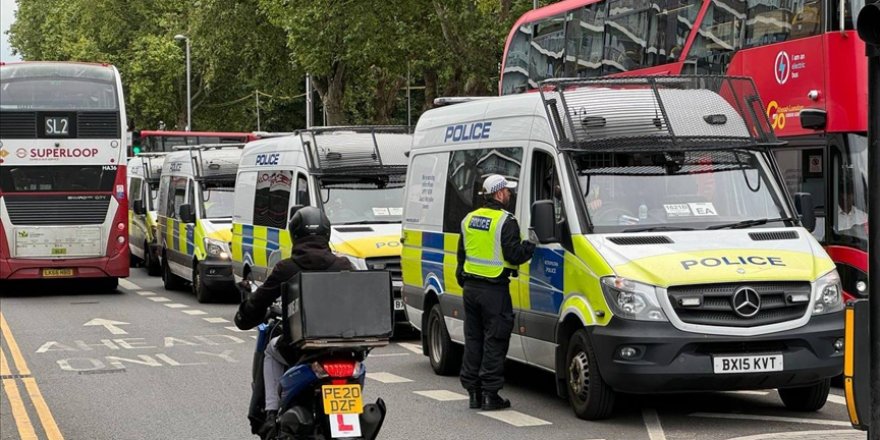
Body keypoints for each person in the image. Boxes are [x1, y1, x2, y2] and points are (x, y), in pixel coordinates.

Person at [234, 207, 352, 436]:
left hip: (302, 348)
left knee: (270, 349)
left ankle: (270, 413)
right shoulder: (343, 265)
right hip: (345, 347)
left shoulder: (287, 268)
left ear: (295, 235)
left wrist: (243, 315)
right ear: (326, 233)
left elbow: (257, 303)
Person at [457, 174, 536, 411]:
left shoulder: (469, 219)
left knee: (474, 339)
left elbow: (461, 255)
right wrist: (530, 244)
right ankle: (491, 394)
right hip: (494, 290)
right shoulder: (506, 221)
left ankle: (474, 393)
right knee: (495, 340)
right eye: (507, 191)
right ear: (499, 193)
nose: (509, 195)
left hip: (471, 289)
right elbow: (514, 255)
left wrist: (464, 280)